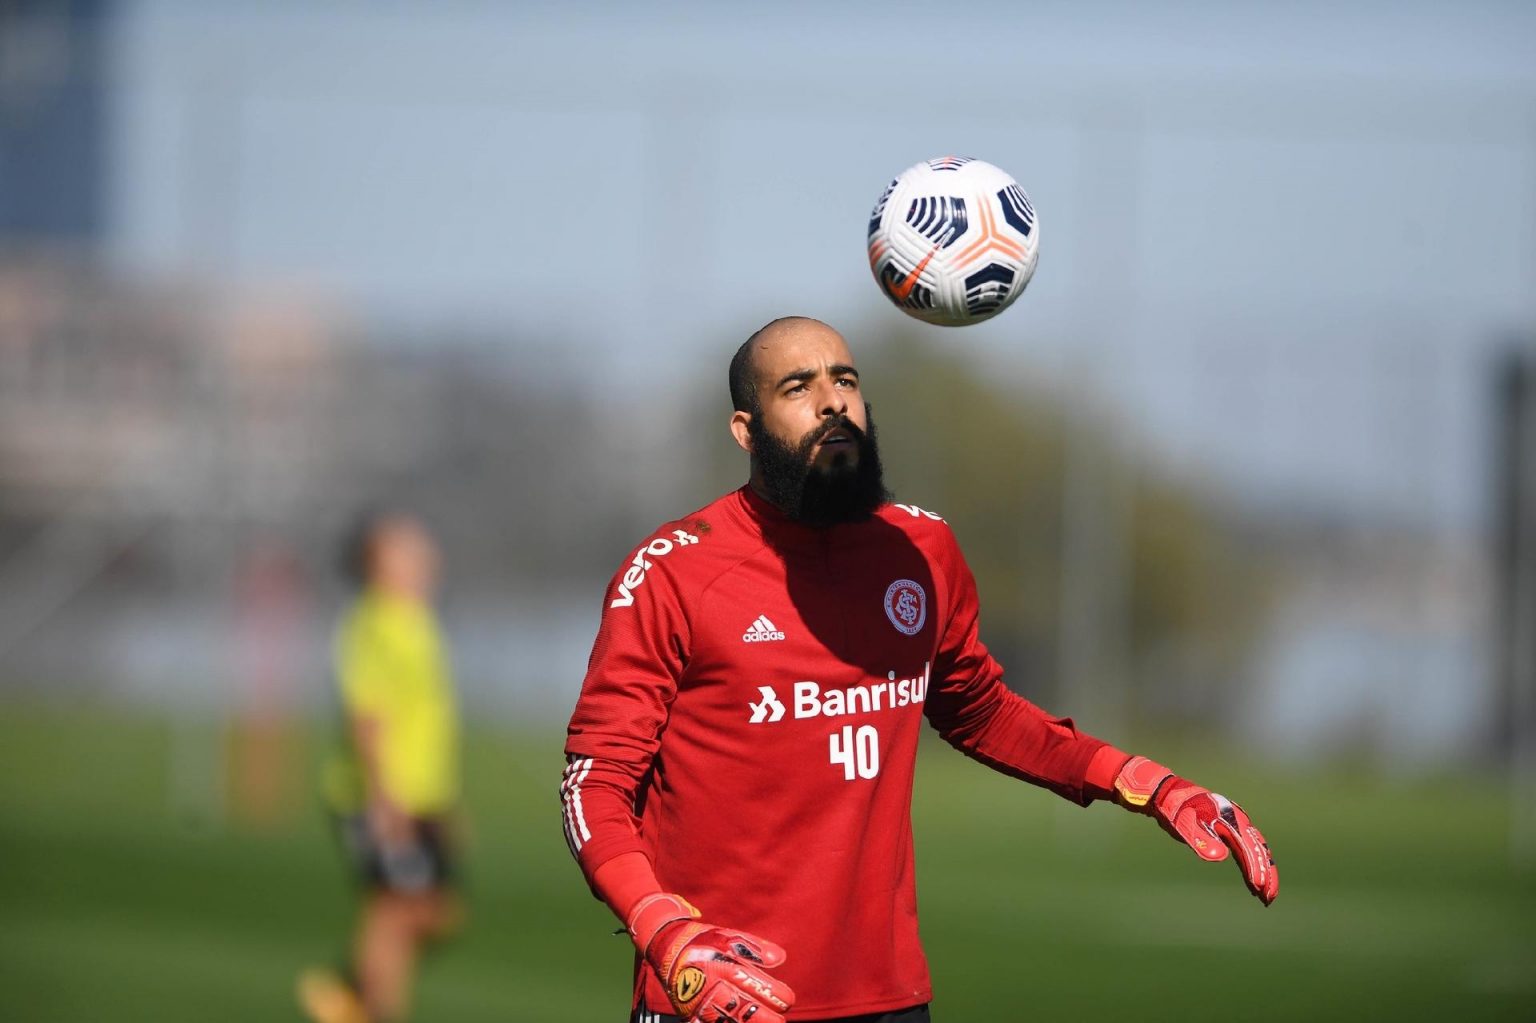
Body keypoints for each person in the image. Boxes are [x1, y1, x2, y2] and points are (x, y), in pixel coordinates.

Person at [562, 317, 1278, 1023]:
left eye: (845, 380)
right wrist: (665, 930)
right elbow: (594, 784)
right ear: (746, 431)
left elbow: (982, 711)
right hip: (721, 993)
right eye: (798, 387)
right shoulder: (675, 572)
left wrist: (1145, 782)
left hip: (888, 996)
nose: (832, 402)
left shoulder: (920, 549)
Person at [300, 512, 463, 1023]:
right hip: (383, 795)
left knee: (439, 914)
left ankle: (345, 987)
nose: (423, 552)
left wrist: (445, 804)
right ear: (376, 564)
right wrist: (382, 798)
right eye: (405, 547)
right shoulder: (372, 624)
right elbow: (366, 719)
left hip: (424, 796)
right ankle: (375, 1009)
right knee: (395, 909)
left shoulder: (416, 620)